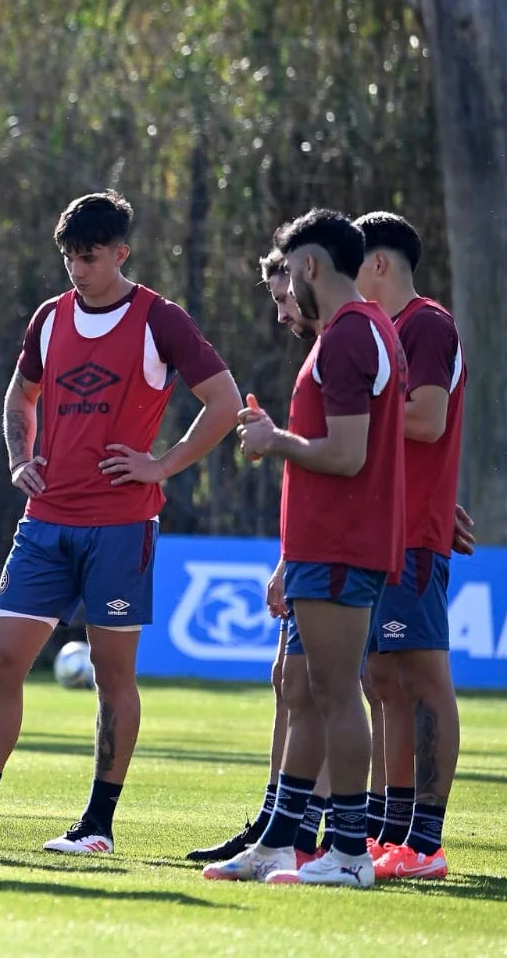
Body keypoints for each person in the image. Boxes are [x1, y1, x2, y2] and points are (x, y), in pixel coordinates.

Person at [0, 190, 240, 855]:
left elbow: (224, 401)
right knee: (1, 660)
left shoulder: (159, 319)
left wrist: (163, 465)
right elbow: (18, 395)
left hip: (121, 526)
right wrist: (18, 456)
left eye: (89, 257)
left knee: (114, 676)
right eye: (68, 257)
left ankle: (97, 824)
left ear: (121, 252)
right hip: (45, 523)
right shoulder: (50, 318)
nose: (77, 270)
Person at [209, 208, 406, 888]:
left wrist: (272, 440)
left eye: (292, 273)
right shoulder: (356, 331)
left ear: (313, 266)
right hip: (323, 543)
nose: (289, 290)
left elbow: (348, 456)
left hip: (345, 542)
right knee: (303, 687)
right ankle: (281, 842)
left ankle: (349, 852)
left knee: (334, 691)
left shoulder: (352, 334)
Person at [354, 211, 464, 881]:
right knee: (382, 682)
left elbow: (427, 418)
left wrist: (343, 425)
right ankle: (390, 829)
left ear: (380, 264)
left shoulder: (427, 323)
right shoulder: (382, 331)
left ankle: (426, 839)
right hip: (378, 534)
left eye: (351, 262)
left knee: (423, 681)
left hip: (412, 535)